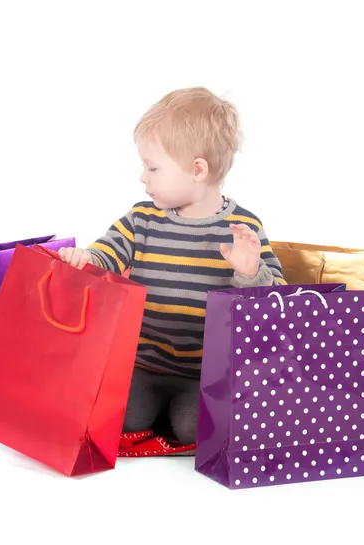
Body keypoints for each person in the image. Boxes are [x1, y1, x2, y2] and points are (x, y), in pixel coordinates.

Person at [59, 86, 286, 448]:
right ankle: (152, 410)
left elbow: (275, 303)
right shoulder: (142, 219)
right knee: (122, 417)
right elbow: (108, 253)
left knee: (193, 430)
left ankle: (173, 414)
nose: (143, 177)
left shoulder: (244, 229)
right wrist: (87, 258)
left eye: (153, 167)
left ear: (197, 170)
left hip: (204, 374)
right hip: (144, 363)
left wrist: (249, 271)